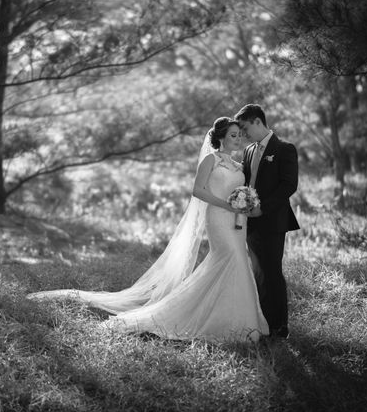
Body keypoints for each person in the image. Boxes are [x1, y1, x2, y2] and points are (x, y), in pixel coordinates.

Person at [27, 117, 268, 342]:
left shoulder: (238, 165)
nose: (238, 139)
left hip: (238, 222)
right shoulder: (211, 160)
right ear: (222, 138)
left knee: (236, 262)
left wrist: (245, 203)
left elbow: (240, 192)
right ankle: (208, 319)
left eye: (239, 136)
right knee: (231, 259)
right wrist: (225, 203)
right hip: (218, 218)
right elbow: (199, 190)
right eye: (234, 135)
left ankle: (234, 320)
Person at [234, 104, 300, 339]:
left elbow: (288, 185)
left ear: (257, 122)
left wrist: (263, 208)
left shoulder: (284, 149)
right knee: (257, 272)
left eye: (244, 128)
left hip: (273, 221)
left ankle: (280, 327)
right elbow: (246, 180)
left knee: (272, 271)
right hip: (250, 222)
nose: (242, 134)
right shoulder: (249, 150)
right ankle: (264, 322)